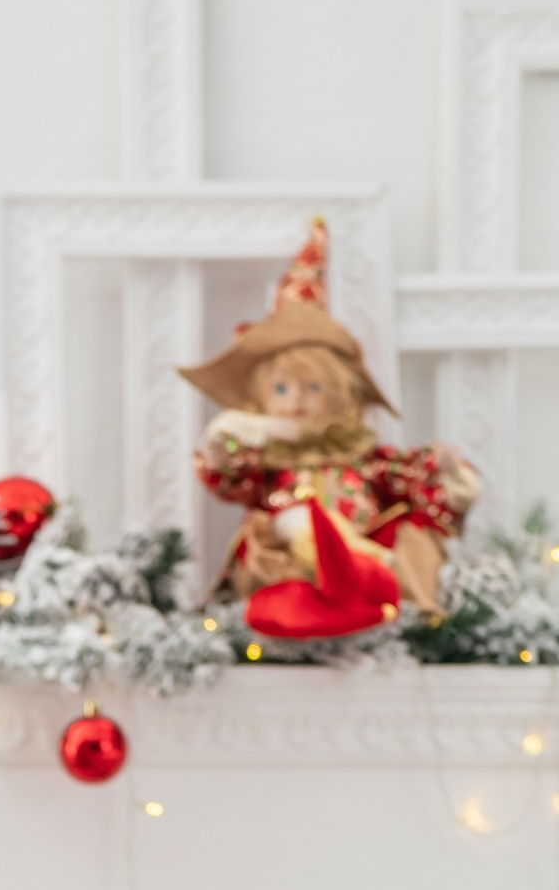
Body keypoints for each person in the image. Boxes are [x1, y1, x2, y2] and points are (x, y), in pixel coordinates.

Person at [182, 217, 478, 627]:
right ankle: (327, 587)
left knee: (411, 533)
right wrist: (259, 432)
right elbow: (226, 467)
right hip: (287, 566)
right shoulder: (267, 463)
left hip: (364, 563)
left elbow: (410, 475)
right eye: (283, 390)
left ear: (338, 396)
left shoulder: (361, 459)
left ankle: (369, 583)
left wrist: (444, 468)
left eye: (312, 388)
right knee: (282, 527)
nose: (298, 401)